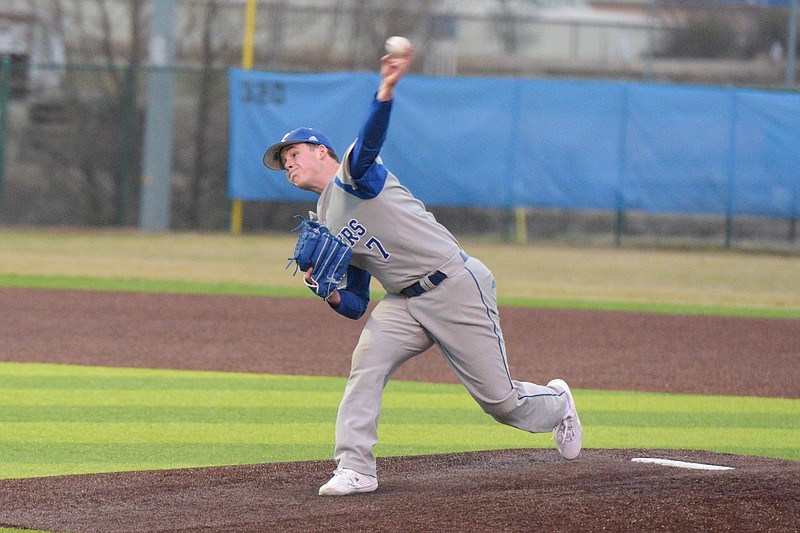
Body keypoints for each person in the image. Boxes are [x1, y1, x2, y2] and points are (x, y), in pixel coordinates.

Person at [262, 49, 582, 497]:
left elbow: (371, 139)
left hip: (453, 284)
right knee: (366, 364)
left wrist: (385, 92)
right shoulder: (324, 219)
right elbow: (356, 304)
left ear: (321, 152)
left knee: (501, 403)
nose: (288, 165)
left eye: (293, 154)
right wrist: (328, 293)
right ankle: (356, 468)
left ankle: (558, 402)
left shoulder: (354, 176)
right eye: (282, 162)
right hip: (404, 303)